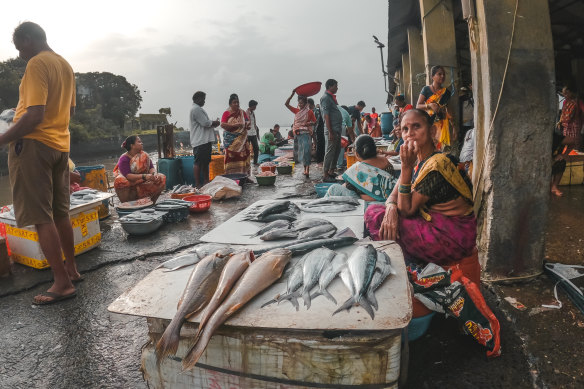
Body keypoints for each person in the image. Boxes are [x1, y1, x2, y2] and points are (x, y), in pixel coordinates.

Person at [0, 22, 80, 304]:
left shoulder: (37, 64)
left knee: (40, 215)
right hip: (60, 146)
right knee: (60, 212)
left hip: (34, 146)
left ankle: (61, 283)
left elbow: (34, 115)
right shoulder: (64, 65)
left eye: (20, 47)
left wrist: (3, 138)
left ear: (28, 39)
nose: (20, 54)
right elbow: (68, 110)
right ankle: (71, 268)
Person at [365, 109, 476, 265]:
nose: (410, 133)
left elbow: (406, 211)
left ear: (432, 131)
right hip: (438, 224)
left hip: (454, 236)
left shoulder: (437, 164)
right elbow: (393, 195)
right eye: (405, 129)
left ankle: (405, 264)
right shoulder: (419, 160)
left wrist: (406, 168)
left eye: (416, 126)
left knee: (375, 216)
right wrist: (390, 208)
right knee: (380, 212)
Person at [326, 134, 397, 201]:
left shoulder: (357, 169)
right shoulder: (385, 160)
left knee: (334, 188)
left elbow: (350, 187)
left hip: (368, 203)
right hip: (391, 199)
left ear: (357, 154)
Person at [113, 135, 166, 203]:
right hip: (130, 184)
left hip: (144, 181)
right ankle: (126, 204)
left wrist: (154, 174)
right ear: (132, 145)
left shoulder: (144, 155)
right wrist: (145, 176)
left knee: (161, 177)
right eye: (139, 142)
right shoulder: (123, 159)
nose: (142, 143)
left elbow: (151, 168)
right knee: (119, 181)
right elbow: (128, 176)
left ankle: (152, 203)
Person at [416, 65, 454, 149]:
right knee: (429, 147)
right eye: (439, 74)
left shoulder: (446, 92)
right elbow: (418, 106)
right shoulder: (426, 89)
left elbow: (449, 109)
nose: (442, 76)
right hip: (429, 123)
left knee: (441, 149)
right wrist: (429, 105)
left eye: (444, 74)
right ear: (432, 76)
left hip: (442, 124)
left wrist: (454, 127)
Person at [190, 91, 220, 188]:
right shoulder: (196, 109)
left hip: (204, 140)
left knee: (205, 162)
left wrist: (213, 122)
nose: (204, 101)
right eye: (203, 99)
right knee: (198, 162)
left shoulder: (197, 109)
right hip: (200, 141)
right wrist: (215, 122)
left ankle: (206, 181)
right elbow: (205, 123)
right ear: (197, 99)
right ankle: (198, 184)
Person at [286, 90, 316, 177]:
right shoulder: (296, 111)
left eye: (302, 103)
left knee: (307, 151)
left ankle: (307, 169)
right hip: (297, 134)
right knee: (301, 152)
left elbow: (314, 122)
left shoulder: (309, 112)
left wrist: (308, 123)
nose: (300, 105)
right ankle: (304, 168)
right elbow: (286, 104)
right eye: (299, 103)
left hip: (306, 134)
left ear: (306, 103)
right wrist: (292, 94)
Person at [221, 93, 251, 175]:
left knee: (244, 158)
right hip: (231, 141)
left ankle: (245, 176)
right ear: (230, 104)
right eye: (234, 102)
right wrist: (235, 125)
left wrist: (248, 124)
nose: (236, 104)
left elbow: (247, 121)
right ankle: (231, 176)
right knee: (231, 159)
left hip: (242, 140)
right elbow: (222, 124)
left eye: (238, 102)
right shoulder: (226, 113)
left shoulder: (242, 112)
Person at [320, 79, 343, 182]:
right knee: (329, 152)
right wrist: (330, 131)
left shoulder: (331, 98)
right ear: (330, 86)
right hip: (332, 130)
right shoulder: (325, 98)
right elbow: (326, 115)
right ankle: (325, 175)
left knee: (336, 150)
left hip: (336, 129)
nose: (337, 88)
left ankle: (331, 171)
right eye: (335, 86)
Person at [557, 85, 584, 154]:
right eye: (563, 93)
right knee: (565, 141)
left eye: (566, 93)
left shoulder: (579, 102)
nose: (564, 95)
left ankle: (572, 157)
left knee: (574, 143)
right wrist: (559, 121)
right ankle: (562, 156)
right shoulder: (565, 102)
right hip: (565, 126)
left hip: (575, 126)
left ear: (572, 93)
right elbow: (563, 112)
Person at [246, 100, 260, 165]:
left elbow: (254, 123)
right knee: (247, 149)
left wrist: (257, 132)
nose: (255, 107)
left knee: (256, 148)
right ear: (252, 106)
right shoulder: (247, 112)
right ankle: (247, 163)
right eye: (255, 106)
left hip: (253, 133)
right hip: (248, 134)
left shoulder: (253, 113)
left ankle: (255, 162)